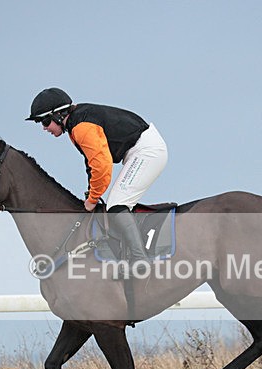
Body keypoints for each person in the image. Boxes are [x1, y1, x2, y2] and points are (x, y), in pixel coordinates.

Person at [26, 88, 167, 276]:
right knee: (116, 203)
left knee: (117, 205)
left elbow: (102, 166)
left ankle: (139, 259)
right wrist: (91, 192)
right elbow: (91, 163)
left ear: (59, 115)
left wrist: (93, 198)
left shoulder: (81, 127)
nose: (44, 128)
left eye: (44, 121)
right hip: (140, 150)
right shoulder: (75, 125)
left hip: (146, 152)